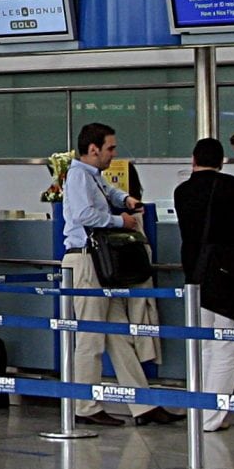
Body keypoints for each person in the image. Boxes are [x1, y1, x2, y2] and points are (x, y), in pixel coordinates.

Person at [61, 122, 180, 427]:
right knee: (90, 338)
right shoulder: (77, 176)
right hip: (86, 262)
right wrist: (120, 221)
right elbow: (83, 215)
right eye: (110, 148)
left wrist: (125, 199)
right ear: (93, 149)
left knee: (118, 334)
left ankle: (142, 404)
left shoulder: (92, 177)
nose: (114, 153)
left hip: (99, 265)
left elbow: (107, 192)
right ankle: (84, 406)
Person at [176, 138, 234, 432]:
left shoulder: (182, 191)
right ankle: (212, 418)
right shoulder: (229, 185)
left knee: (202, 346)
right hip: (228, 275)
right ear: (221, 161)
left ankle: (198, 410)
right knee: (226, 346)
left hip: (195, 274)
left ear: (194, 159)